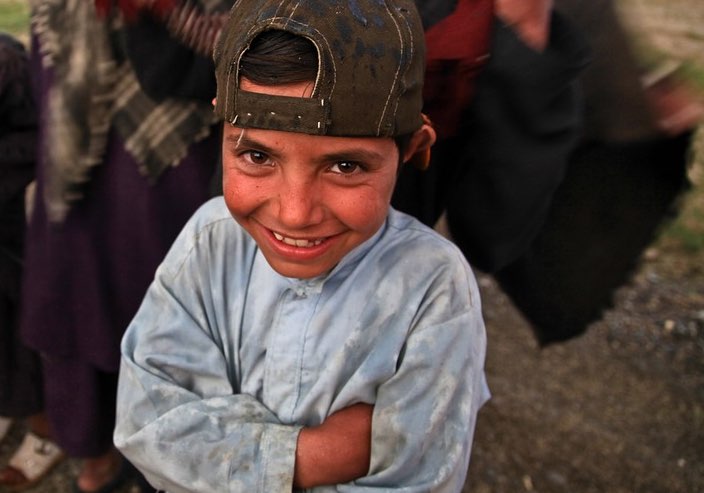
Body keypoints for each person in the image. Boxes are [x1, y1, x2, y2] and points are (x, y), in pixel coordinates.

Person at [114, 0, 490, 491]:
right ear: (221, 134)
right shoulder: (210, 242)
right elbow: (146, 427)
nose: (295, 213)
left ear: (414, 150)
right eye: (255, 155)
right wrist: (312, 456)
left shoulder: (433, 288)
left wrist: (214, 448)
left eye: (346, 166)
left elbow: (418, 479)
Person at [19, 1, 228, 491]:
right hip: (74, 122)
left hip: (176, 142)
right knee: (76, 292)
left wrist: (168, 10)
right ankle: (92, 447)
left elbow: (250, 43)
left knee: (165, 303)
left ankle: (162, 455)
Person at [0, 32, 64, 490]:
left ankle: (45, 428)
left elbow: (40, 140)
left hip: (4, 242)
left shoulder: (6, 64)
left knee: (13, 334)